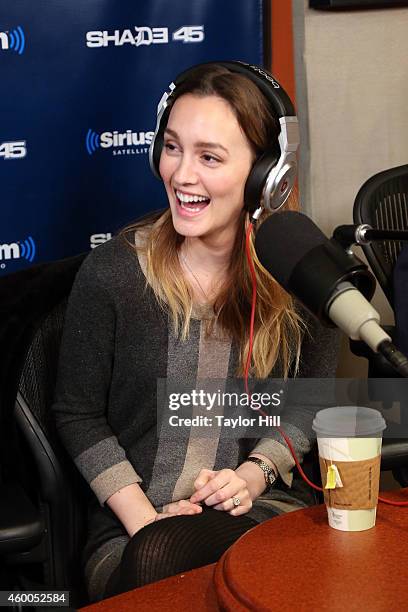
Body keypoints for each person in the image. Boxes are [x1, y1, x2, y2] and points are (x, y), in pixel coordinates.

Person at [52, 61, 339, 602]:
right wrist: (147, 520)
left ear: (266, 173)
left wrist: (257, 472)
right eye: (173, 147)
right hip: (134, 529)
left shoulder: (301, 270)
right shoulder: (114, 273)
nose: (182, 174)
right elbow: (77, 415)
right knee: (163, 557)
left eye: (209, 157)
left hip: (261, 510)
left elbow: (314, 401)